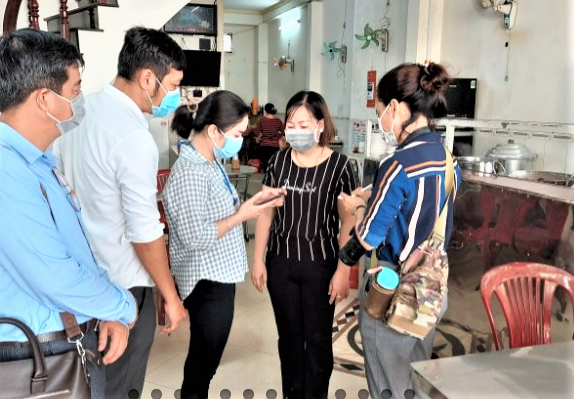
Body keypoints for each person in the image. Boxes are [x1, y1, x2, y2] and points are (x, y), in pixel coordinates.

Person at [0, 28, 137, 399]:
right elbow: (55, 276)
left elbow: (74, 253)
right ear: (45, 99)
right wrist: (122, 304)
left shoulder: (33, 163)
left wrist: (104, 311)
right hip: (37, 358)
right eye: (75, 90)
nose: (79, 101)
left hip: (60, 345)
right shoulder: (0, 172)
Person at [52, 26, 187, 397]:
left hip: (81, 280)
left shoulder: (79, 111)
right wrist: (170, 295)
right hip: (123, 287)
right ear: (147, 78)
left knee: (90, 382)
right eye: (172, 86)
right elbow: (144, 233)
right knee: (121, 383)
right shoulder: (134, 137)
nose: (175, 96)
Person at [338, 62, 461, 399]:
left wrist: (356, 207)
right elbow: (428, 208)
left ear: (394, 107)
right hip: (429, 288)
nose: (381, 120)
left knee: (388, 384)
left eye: (380, 111)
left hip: (392, 290)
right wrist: (376, 197)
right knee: (415, 378)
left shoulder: (396, 164)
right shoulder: (448, 159)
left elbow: (368, 238)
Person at [162, 90, 286, 399]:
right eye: (237, 134)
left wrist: (256, 202)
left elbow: (222, 209)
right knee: (202, 363)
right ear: (214, 131)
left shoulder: (211, 162)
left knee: (207, 362)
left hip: (220, 275)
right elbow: (194, 236)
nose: (240, 141)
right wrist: (240, 216)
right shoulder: (191, 172)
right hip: (206, 280)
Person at [251, 91, 358, 399]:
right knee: (289, 339)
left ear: (320, 125)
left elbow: (348, 223)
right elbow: (266, 213)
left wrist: (343, 271)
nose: (295, 130)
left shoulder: (340, 166)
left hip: (320, 264)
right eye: (290, 124)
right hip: (281, 262)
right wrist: (258, 259)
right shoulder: (279, 162)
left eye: (303, 125)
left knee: (318, 340)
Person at [253, 102, 284, 172]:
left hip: (264, 146)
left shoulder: (261, 121)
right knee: (274, 164)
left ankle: (267, 176)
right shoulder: (278, 121)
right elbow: (283, 132)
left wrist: (260, 135)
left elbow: (256, 133)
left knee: (266, 165)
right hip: (275, 146)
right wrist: (277, 136)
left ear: (265, 111)